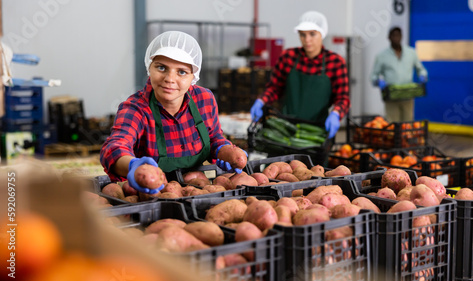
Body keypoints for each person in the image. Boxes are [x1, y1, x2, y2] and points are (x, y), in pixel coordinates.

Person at [100, 31, 247, 194]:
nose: (169, 78)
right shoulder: (135, 109)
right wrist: (134, 167)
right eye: (161, 67)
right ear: (149, 67)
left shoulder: (204, 99)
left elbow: (214, 137)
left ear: (193, 76)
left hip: (198, 189)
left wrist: (224, 150)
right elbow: (115, 147)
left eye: (182, 72)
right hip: (152, 194)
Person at [250, 11, 350, 139]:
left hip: (316, 132)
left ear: (322, 34)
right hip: (285, 129)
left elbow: (343, 99)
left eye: (312, 34)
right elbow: (274, 87)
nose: (307, 40)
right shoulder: (288, 57)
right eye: (302, 35)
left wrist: (336, 114)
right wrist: (261, 100)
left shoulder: (335, 62)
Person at [371, 26, 428, 123]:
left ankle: (406, 139)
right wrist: (378, 81)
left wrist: (423, 75)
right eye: (393, 35)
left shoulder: (411, 53)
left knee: (407, 125)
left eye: (398, 35)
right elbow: (373, 75)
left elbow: (421, 69)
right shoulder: (382, 56)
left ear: (401, 37)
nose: (396, 38)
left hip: (408, 95)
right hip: (391, 96)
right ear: (389, 37)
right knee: (392, 125)